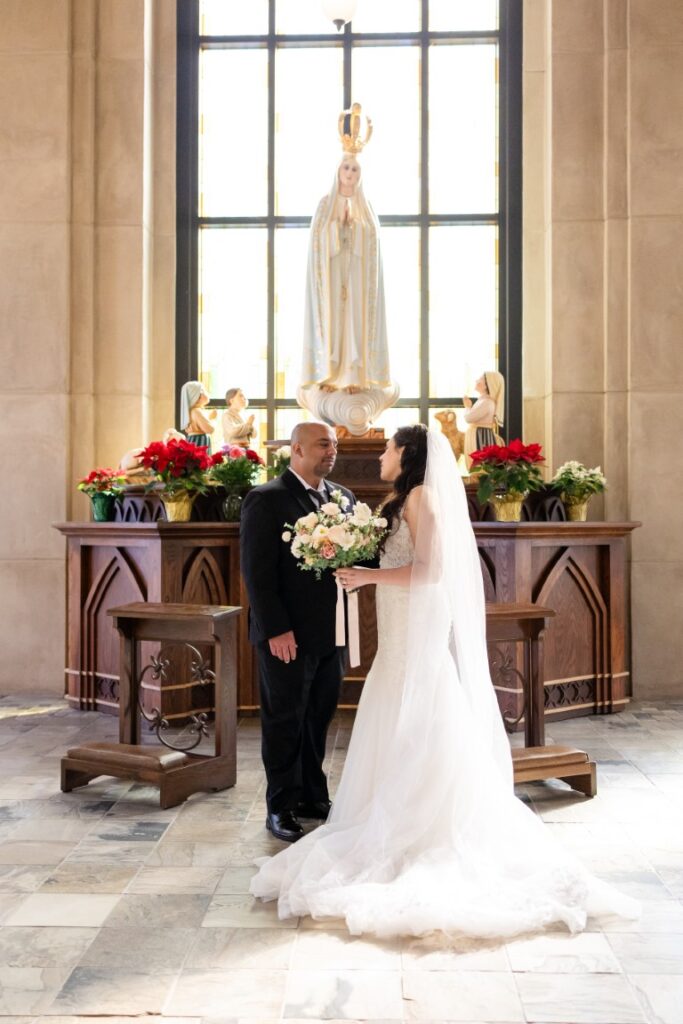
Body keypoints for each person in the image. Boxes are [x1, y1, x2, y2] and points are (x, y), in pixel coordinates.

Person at [249, 425, 639, 939]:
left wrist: (365, 576)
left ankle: (397, 811)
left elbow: (426, 570)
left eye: (388, 447)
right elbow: (267, 570)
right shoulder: (281, 499)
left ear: (407, 454)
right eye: (326, 444)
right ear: (298, 448)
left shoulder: (406, 498)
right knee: (317, 715)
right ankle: (302, 802)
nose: (377, 454)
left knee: (407, 713)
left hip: (406, 628)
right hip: (370, 631)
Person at [240, 422, 356, 844]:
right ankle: (281, 806)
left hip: (332, 632)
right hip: (285, 635)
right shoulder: (266, 500)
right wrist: (276, 630)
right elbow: (257, 573)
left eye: (335, 445)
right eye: (324, 445)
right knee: (284, 720)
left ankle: (312, 795)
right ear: (297, 450)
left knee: (318, 718)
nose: (332, 452)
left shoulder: (343, 498)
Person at [301, 152, 391, 392]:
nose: (350, 174)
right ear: (338, 171)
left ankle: (354, 376)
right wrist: (336, 224)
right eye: (347, 168)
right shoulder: (325, 203)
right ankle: (331, 375)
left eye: (355, 170)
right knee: (334, 320)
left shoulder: (365, 205)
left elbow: (372, 241)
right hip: (332, 271)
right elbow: (318, 241)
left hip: (357, 275)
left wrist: (355, 225)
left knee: (355, 319)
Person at [463, 370, 505, 470]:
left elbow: (468, 418)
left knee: (481, 469)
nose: (476, 380)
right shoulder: (483, 401)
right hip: (478, 434)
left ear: (487, 385)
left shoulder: (487, 402)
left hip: (481, 438)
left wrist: (467, 407)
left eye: (480, 379)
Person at [180, 380, 215, 452]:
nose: (207, 393)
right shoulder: (196, 411)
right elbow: (210, 429)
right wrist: (213, 419)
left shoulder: (193, 411)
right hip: (199, 441)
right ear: (198, 397)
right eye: (204, 391)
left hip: (195, 439)